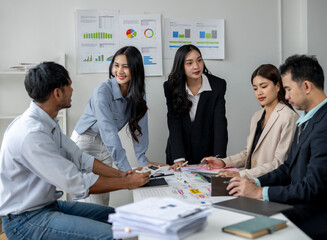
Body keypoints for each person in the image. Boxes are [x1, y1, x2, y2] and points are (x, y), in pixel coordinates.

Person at [0, 62, 151, 240]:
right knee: (112, 235)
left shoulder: (46, 122)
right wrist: (128, 183)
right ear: (57, 93)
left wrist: (121, 175)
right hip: (25, 220)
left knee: (120, 217)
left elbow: (80, 158)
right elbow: (76, 183)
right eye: (69, 85)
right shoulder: (31, 134)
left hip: (47, 206)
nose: (72, 90)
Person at [227, 55, 327, 240]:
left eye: (288, 89)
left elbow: (312, 187)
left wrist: (259, 193)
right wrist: (256, 183)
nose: (286, 96)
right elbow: (288, 168)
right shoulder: (309, 119)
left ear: (306, 86)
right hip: (307, 211)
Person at [72, 46, 164, 205]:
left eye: (126, 66)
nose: (119, 71)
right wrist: (127, 172)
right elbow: (109, 132)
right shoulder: (102, 92)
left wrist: (143, 160)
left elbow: (141, 128)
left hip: (107, 146)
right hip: (86, 142)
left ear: (135, 68)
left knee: (102, 202)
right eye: (116, 65)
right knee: (90, 201)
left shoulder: (138, 93)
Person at [201, 64, 298, 179]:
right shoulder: (257, 116)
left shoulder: (288, 116)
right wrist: (223, 162)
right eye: (255, 88)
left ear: (277, 86)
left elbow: (280, 162)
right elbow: (248, 154)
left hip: (274, 185)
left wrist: (241, 174)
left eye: (264, 86)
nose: (259, 92)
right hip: (254, 183)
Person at [164, 44, 228, 170]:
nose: (196, 66)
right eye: (189, 63)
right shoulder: (171, 87)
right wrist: (179, 158)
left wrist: (218, 158)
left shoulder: (217, 85)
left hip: (206, 152)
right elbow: (174, 121)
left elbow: (220, 124)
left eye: (199, 60)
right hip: (179, 151)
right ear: (181, 66)